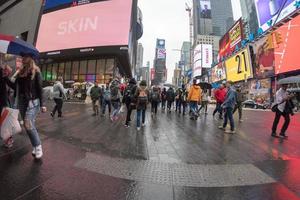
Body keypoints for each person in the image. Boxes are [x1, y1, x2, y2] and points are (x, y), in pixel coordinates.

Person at [5, 54, 47, 159]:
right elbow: (15, 87)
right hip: (22, 102)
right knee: (28, 126)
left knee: (28, 124)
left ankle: (38, 146)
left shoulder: (36, 72)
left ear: (30, 58)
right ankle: (35, 145)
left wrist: (43, 104)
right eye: (22, 57)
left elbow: (39, 89)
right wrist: (5, 77)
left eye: (25, 57)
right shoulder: (20, 72)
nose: (22, 59)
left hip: (33, 102)